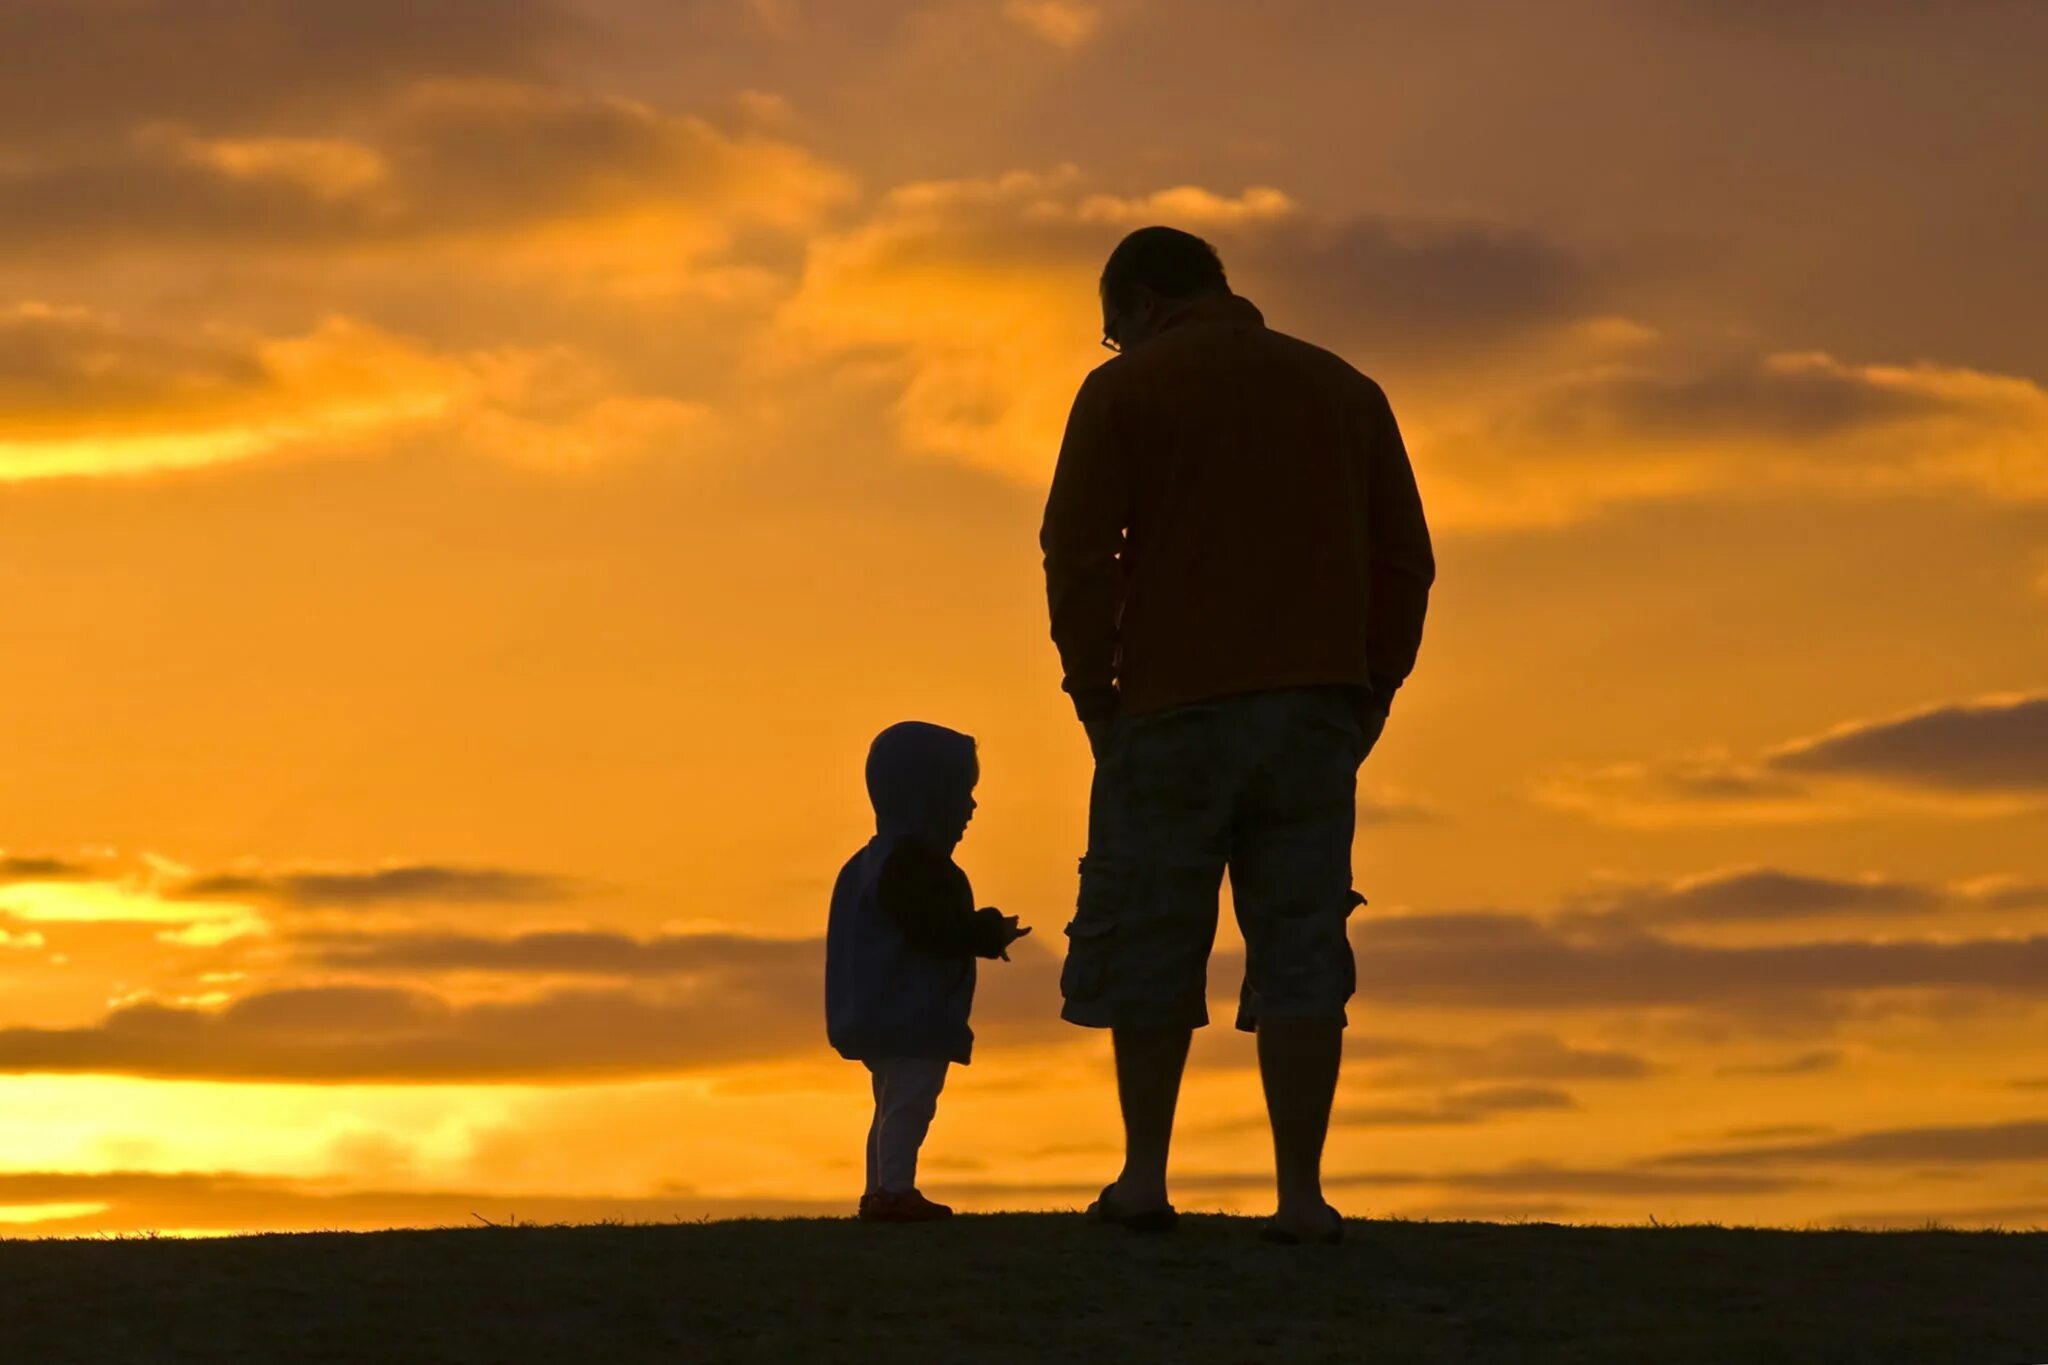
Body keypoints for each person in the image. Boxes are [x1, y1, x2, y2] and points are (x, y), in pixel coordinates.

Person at [1041, 226, 1434, 1244]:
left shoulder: (1125, 392)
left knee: (1152, 938)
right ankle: (1299, 1196)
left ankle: (1142, 1179)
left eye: (1111, 331)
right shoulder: (1343, 389)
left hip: (1166, 707)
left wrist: (1094, 693)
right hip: (1312, 706)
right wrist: (1370, 688)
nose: (1114, 348)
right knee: (1301, 941)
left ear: (1137, 304)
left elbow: (1075, 551)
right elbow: (1403, 561)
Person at [825, 720, 1031, 1222]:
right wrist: (986, 933)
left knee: (892, 1102)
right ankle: (894, 1190)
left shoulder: (868, 863)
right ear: (926, 798)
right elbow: (932, 929)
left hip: (879, 1011)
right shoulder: (913, 865)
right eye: (962, 793)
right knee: (911, 1102)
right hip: (911, 1012)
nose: (970, 809)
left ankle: (880, 1189)